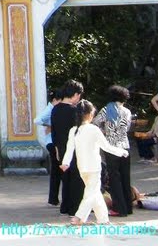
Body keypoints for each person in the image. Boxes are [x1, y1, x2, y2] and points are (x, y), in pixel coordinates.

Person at [60, 99, 129, 226]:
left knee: (95, 192)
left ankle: (103, 220)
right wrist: (121, 152)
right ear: (90, 114)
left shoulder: (74, 130)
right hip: (93, 167)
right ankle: (78, 217)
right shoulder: (93, 129)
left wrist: (65, 163)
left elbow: (69, 149)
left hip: (82, 167)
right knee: (91, 193)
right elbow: (106, 147)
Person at [93, 85, 133, 216]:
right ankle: (128, 207)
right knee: (125, 178)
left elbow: (94, 123)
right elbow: (126, 129)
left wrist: (105, 132)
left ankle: (119, 208)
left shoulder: (106, 110)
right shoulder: (127, 111)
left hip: (111, 148)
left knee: (114, 179)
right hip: (125, 147)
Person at [51, 79, 85, 216]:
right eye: (79, 95)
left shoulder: (55, 109)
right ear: (75, 94)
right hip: (74, 148)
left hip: (62, 148)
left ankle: (64, 207)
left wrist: (58, 150)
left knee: (66, 178)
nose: (79, 98)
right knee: (76, 179)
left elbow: (54, 132)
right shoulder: (74, 111)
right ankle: (74, 208)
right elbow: (79, 132)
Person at [36, 89, 63, 206]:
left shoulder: (54, 109)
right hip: (52, 142)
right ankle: (53, 199)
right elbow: (37, 120)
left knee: (56, 171)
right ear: (54, 100)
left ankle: (53, 199)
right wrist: (51, 125)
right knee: (57, 171)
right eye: (60, 100)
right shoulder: (50, 109)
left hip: (52, 141)